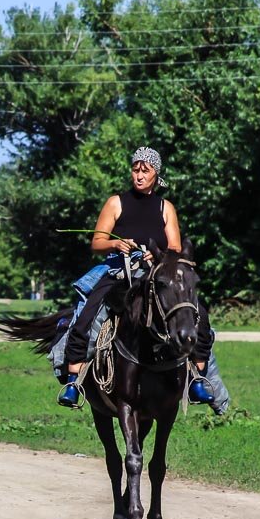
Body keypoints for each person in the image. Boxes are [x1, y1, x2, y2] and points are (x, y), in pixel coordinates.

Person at [58, 146, 217, 409]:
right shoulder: (116, 202)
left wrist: (156, 256)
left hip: (157, 274)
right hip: (120, 273)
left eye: (146, 171)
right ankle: (74, 381)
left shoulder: (166, 208)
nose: (139, 176)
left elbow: (174, 248)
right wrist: (115, 245)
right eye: (135, 170)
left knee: (198, 314)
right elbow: (97, 242)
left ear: (156, 174)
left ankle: (197, 379)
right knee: (88, 314)